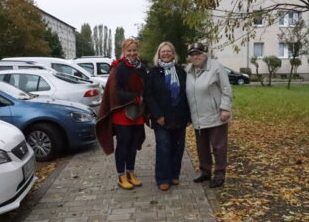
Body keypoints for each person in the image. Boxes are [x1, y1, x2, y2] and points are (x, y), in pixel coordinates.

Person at [95, 38, 146, 190]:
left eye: (134, 50)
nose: (132, 53)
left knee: (133, 145)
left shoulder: (141, 67)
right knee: (123, 145)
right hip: (122, 114)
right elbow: (114, 91)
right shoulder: (118, 68)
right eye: (129, 50)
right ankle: (121, 175)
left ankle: (131, 172)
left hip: (137, 114)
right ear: (124, 52)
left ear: (138, 51)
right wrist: (135, 98)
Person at [145, 41, 191, 191]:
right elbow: (149, 96)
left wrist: (188, 116)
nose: (165, 54)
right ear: (158, 54)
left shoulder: (181, 71)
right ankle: (162, 178)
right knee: (164, 147)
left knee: (178, 148)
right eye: (162, 51)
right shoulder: (153, 73)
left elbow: (187, 94)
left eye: (168, 51)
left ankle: (174, 175)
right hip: (162, 117)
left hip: (180, 116)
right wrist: (157, 115)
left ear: (173, 54)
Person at [185, 43, 233, 188]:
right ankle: (205, 172)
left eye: (198, 53)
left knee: (218, 147)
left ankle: (219, 174)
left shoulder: (216, 67)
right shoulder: (188, 70)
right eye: (192, 54)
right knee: (202, 147)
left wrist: (225, 108)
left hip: (215, 115)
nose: (195, 57)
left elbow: (226, 89)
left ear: (205, 54)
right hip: (198, 116)